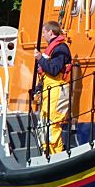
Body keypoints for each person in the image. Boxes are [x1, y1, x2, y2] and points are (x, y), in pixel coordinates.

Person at [34, 20, 72, 154]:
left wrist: (40, 58)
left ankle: (57, 154)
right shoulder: (53, 48)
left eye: (44, 32)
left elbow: (54, 69)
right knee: (44, 125)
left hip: (57, 90)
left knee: (52, 126)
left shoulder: (60, 48)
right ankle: (47, 153)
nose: (43, 36)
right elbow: (46, 74)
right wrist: (38, 88)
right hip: (49, 90)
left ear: (50, 32)